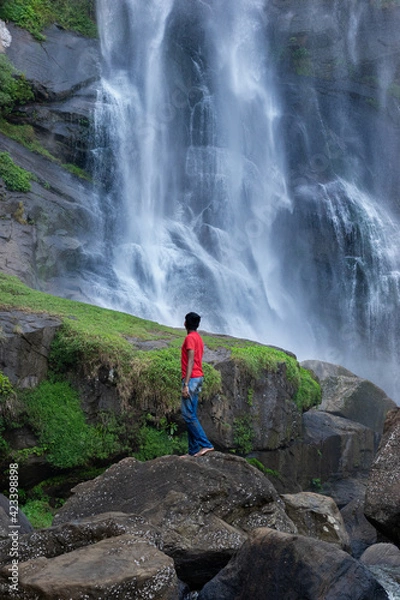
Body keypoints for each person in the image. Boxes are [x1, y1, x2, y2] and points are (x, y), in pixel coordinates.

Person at [181, 312, 214, 457]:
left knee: (188, 415)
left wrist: (186, 384)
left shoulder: (189, 338)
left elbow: (191, 360)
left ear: (185, 324)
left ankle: (206, 444)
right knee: (191, 414)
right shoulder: (199, 338)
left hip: (192, 378)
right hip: (199, 377)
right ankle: (193, 450)